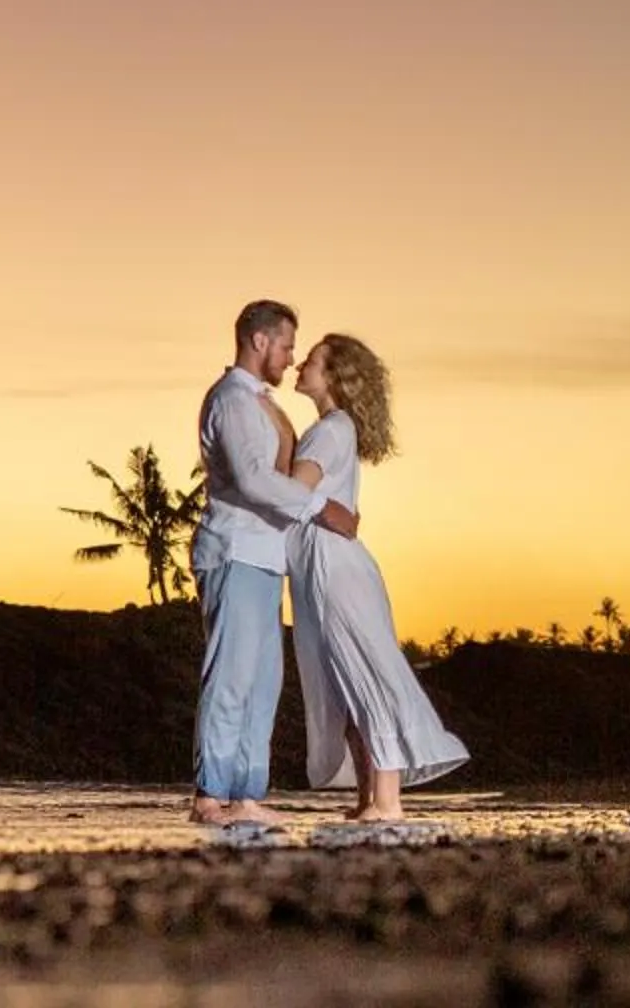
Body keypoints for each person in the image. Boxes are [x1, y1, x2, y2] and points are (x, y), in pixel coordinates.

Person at [285, 332, 468, 818]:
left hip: (333, 565)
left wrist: (321, 507)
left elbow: (292, 492)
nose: (300, 366)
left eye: (311, 361)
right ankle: (369, 796)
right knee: (348, 678)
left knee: (366, 673)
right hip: (330, 562)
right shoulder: (334, 429)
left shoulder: (329, 431)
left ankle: (387, 800)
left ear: (334, 377)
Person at [191, 299, 359, 828]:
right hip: (235, 549)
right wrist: (320, 508)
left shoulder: (260, 401)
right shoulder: (232, 400)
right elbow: (252, 479)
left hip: (265, 556)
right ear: (259, 341)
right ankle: (210, 796)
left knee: (263, 681)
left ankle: (246, 794)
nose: (290, 358)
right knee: (231, 675)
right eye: (286, 346)